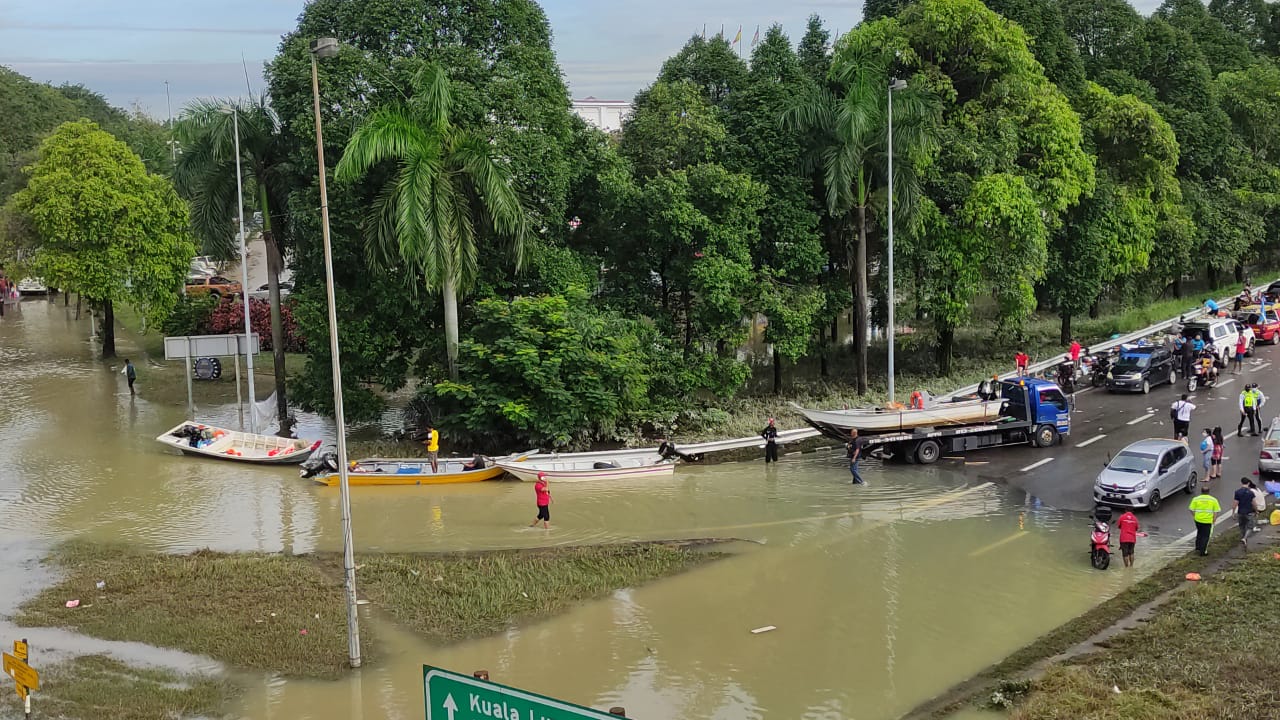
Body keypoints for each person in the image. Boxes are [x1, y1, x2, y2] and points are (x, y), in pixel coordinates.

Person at [1189, 485, 1221, 555]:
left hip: (1198, 520)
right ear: (1208, 492)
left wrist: (1195, 516)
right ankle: (1203, 552)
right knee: (1205, 536)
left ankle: (1198, 547)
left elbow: (1191, 509)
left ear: (1201, 491)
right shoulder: (1213, 500)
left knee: (1199, 533)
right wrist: (1214, 519)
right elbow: (1216, 511)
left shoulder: (1196, 499)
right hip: (1207, 521)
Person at [1233, 477, 1256, 549]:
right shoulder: (1251, 493)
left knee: (1242, 526)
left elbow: (1235, 503)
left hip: (1240, 512)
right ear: (1248, 483)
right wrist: (1256, 510)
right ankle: (1244, 538)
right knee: (1250, 527)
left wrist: (1233, 512)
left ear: (1241, 483)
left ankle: (1243, 538)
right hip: (1249, 512)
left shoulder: (1237, 492)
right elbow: (1254, 503)